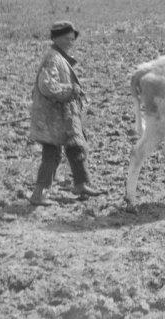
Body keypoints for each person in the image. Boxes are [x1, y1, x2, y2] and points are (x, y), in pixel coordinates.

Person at [28, 21, 102, 206]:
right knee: (52, 154)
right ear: (56, 38)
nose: (71, 42)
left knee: (75, 147)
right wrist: (70, 90)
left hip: (64, 114)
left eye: (72, 39)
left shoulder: (61, 57)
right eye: (67, 38)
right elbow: (47, 85)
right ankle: (39, 194)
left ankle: (81, 184)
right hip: (52, 116)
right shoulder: (52, 58)